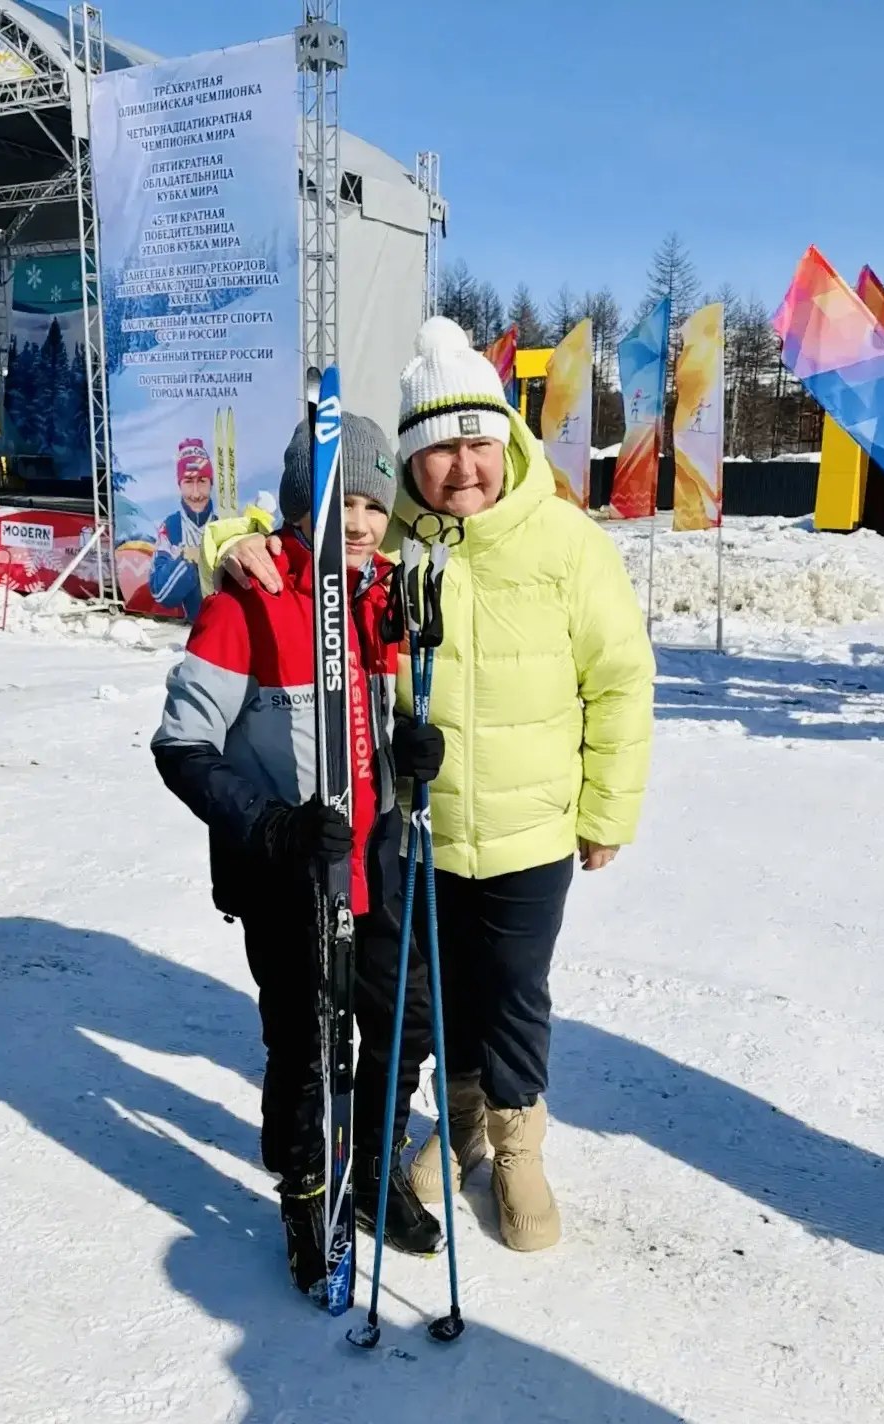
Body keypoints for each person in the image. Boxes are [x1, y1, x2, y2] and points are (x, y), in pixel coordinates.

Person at [202, 317, 656, 1254]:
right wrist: (234, 542)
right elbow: (310, 535)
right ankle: (450, 1133)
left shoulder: (568, 543)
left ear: (507, 439)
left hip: (532, 824)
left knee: (515, 990)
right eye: (438, 449)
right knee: (429, 1001)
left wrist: (607, 807)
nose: (461, 467)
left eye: (476, 442)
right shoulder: (400, 541)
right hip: (420, 831)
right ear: (413, 463)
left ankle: (517, 1143)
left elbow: (619, 678)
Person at [151, 412, 445, 1299]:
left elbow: (374, 718)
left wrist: (409, 748)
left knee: (407, 1021)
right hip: (292, 872)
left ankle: (373, 1165)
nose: (359, 522)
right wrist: (271, 826)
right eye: (340, 502)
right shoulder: (250, 597)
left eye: (371, 503)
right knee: (308, 1041)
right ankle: (306, 1187)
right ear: (299, 506)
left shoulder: (376, 592)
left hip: (378, 858)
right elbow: (180, 743)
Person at [149, 438, 217, 622]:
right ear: (179, 485)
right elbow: (160, 593)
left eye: (202, 481)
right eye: (188, 482)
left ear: (211, 483)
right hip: (193, 632)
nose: (196, 493)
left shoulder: (223, 522)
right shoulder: (171, 527)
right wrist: (187, 563)